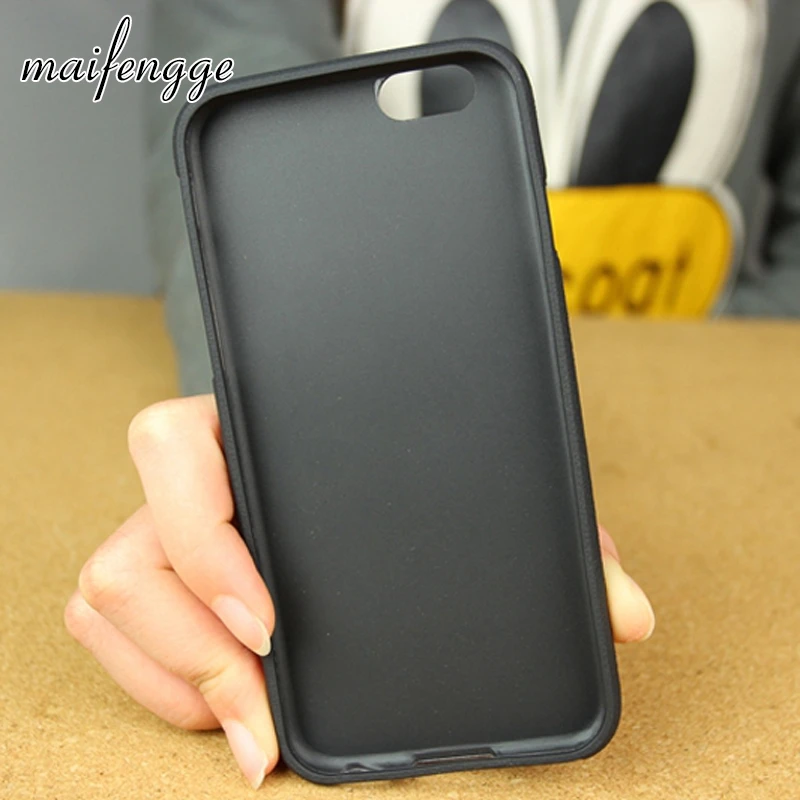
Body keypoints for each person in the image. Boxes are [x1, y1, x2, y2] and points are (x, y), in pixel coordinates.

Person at [65, 0, 800, 789]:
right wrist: (256, 422)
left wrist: (725, 377)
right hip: (361, 359)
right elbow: (243, 123)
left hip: (728, 380)